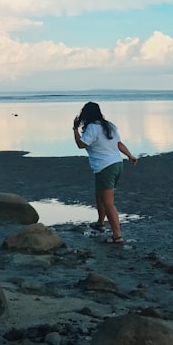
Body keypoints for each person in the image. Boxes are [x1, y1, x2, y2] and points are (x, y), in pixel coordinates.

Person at [72, 101, 138, 244]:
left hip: (105, 167)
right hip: (117, 164)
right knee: (99, 195)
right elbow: (118, 144)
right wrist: (130, 156)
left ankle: (117, 236)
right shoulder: (109, 126)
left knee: (108, 202)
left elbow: (81, 145)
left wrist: (75, 130)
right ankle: (100, 224)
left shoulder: (92, 128)